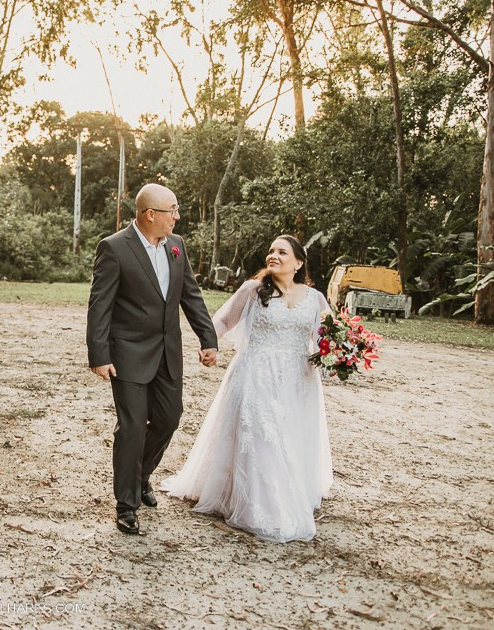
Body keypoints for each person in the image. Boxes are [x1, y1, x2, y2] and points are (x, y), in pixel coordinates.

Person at [160, 234, 333, 543]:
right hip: (255, 373)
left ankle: (288, 490)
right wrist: (209, 346)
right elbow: (223, 321)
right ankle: (255, 503)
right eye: (271, 251)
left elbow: (324, 339)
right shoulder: (253, 290)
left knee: (288, 435)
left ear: (299, 263)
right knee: (259, 434)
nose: (273, 256)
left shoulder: (315, 299)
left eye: (282, 252)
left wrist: (344, 352)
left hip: (298, 379)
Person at [87, 183, 218, 536]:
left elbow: (190, 294)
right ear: (150, 214)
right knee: (131, 426)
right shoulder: (115, 248)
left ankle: (141, 474)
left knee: (169, 418)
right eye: (172, 210)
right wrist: (99, 354)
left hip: (167, 352)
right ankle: (126, 504)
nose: (177, 217)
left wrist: (208, 338)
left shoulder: (177, 245)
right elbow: (100, 306)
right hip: (128, 354)